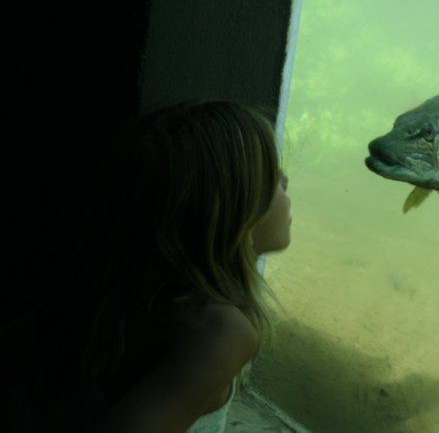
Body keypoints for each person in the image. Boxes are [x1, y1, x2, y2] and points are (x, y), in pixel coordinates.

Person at [22, 100, 291, 431]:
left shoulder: (125, 291)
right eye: (272, 177)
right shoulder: (221, 331)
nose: (286, 181)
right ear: (234, 219)